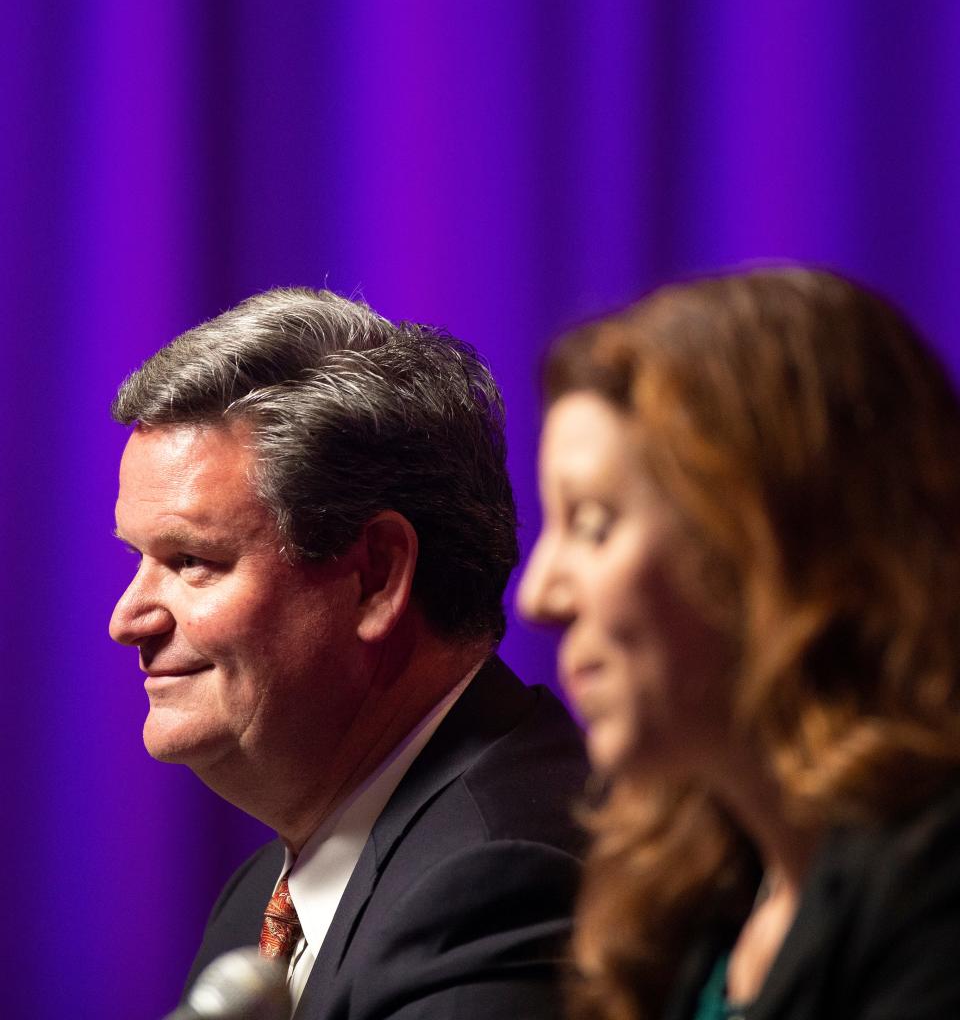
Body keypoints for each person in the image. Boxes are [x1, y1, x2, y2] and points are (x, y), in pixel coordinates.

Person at [108, 287, 588, 1020]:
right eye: (138, 559)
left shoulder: (501, 880)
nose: (127, 619)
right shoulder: (259, 902)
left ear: (375, 577)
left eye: (191, 560)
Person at [518, 267, 960, 1020]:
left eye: (591, 523)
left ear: (775, 542)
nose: (538, 598)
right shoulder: (682, 899)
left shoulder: (938, 891)